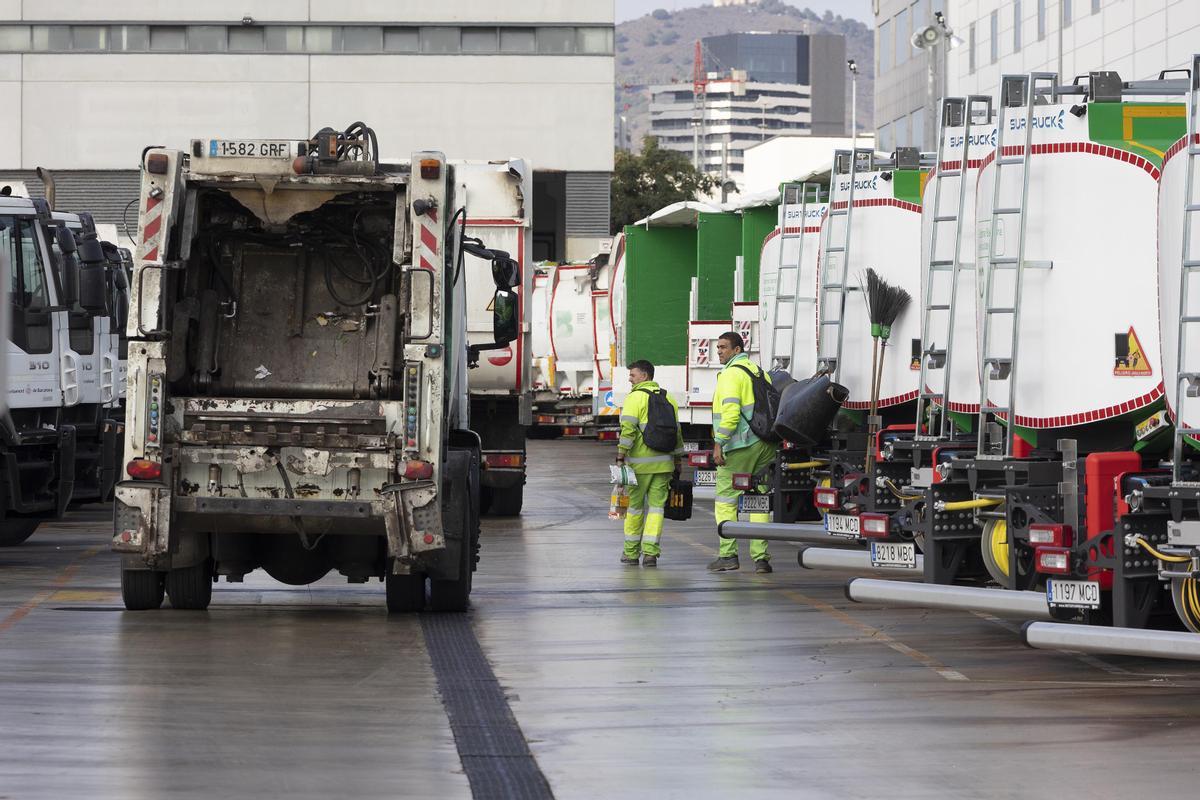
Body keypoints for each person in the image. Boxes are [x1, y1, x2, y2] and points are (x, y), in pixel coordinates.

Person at [708, 331, 776, 573]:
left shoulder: (730, 375)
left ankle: (728, 555)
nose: (719, 351)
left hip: (740, 446)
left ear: (737, 350)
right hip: (765, 444)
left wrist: (719, 443)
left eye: (724, 347)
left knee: (726, 500)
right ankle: (761, 559)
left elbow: (731, 414)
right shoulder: (760, 372)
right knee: (759, 501)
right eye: (718, 348)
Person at [616, 360, 684, 567]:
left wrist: (620, 456)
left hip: (639, 466)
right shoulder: (668, 398)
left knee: (634, 509)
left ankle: (630, 553)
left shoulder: (634, 398)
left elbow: (627, 430)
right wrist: (678, 460)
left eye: (633, 375)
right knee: (656, 510)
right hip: (664, 465)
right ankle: (651, 554)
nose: (630, 379)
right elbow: (677, 432)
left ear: (644, 376)